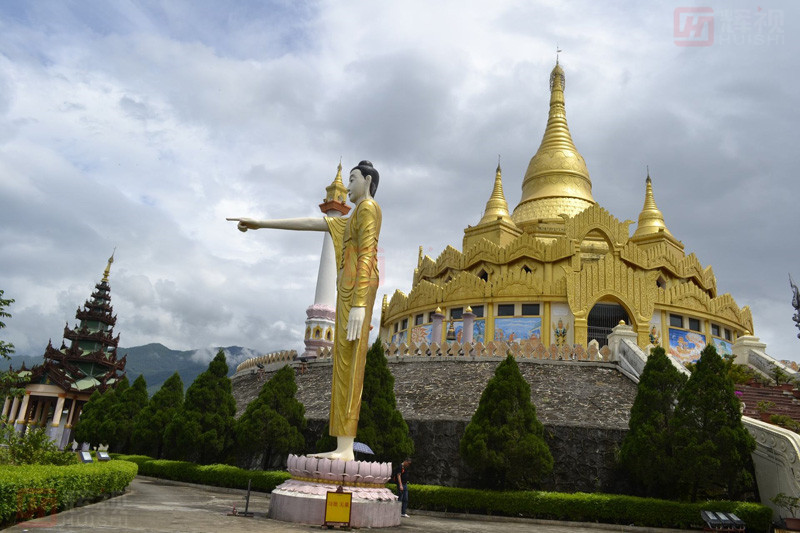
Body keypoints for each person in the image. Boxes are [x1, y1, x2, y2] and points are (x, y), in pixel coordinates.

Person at [228, 160, 382, 461]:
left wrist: (360, 304)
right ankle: (342, 445)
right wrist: (262, 223)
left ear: (367, 181)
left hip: (358, 290)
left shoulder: (368, 209)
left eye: (353, 180)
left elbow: (367, 254)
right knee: (342, 364)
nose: (349, 186)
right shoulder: (351, 217)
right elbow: (314, 223)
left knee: (351, 363)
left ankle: (346, 447)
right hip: (346, 289)